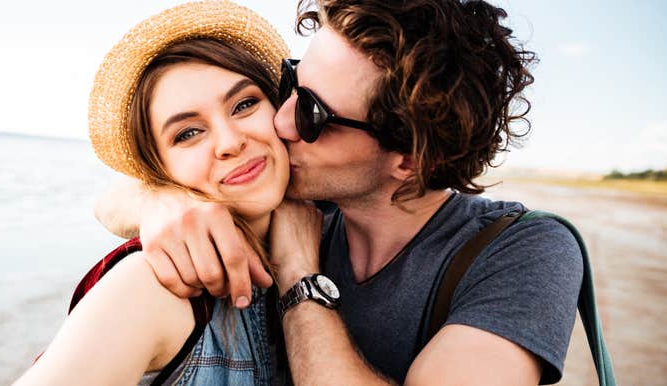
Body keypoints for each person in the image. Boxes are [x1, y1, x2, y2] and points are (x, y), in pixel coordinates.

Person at [97, 0, 584, 385]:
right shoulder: (291, 188)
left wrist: (298, 274)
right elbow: (109, 197)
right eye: (290, 83)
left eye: (312, 114)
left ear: (413, 158)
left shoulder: (523, 252)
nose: (280, 119)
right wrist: (164, 202)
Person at [14, 1, 296, 385]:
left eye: (244, 104)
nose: (230, 142)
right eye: (188, 133)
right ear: (160, 170)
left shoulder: (333, 223)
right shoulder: (150, 285)